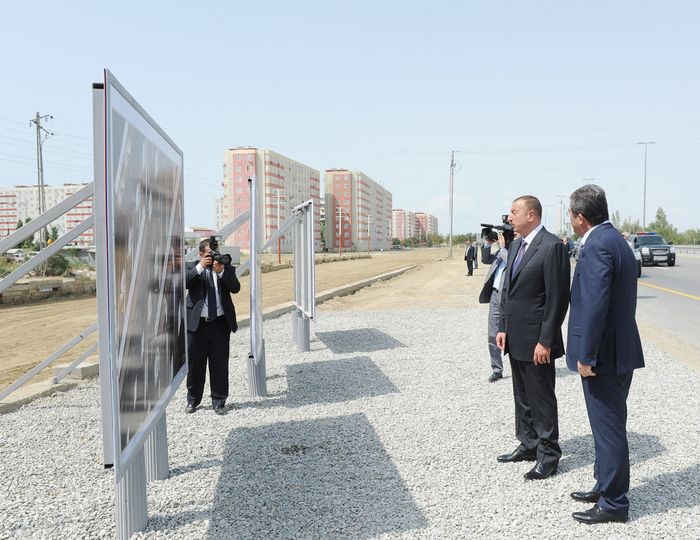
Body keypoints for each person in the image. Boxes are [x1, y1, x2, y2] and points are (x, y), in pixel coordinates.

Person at [567, 185, 645, 524]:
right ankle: (604, 484)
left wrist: (587, 355)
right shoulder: (616, 240)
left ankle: (614, 504)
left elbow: (597, 304)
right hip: (620, 350)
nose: (571, 221)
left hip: (604, 357)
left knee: (609, 428)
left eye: (571, 216)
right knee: (607, 427)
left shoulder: (597, 244)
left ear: (580, 218)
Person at [496, 195, 570, 480]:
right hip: (515, 336)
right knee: (522, 395)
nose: (509, 217)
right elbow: (508, 292)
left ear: (531, 215)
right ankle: (528, 444)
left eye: (514, 212)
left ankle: (549, 455)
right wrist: (502, 327)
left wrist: (546, 340)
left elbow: (557, 298)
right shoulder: (516, 245)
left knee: (542, 398)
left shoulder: (552, 246)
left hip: (538, 339)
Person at [185, 237, 241, 415]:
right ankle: (193, 401)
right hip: (197, 325)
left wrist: (222, 272)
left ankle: (219, 401)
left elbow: (236, 288)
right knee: (195, 365)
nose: (214, 257)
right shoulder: (191, 267)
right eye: (210, 254)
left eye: (217, 253)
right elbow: (183, 283)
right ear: (201, 254)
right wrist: (201, 266)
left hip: (220, 324)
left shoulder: (226, 267)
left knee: (219, 364)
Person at [479, 233, 508, 382]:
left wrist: (503, 247)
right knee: (492, 334)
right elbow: (485, 259)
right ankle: (497, 369)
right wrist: (488, 244)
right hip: (496, 296)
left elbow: (510, 261)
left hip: (510, 297)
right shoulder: (500, 252)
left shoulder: (516, 250)